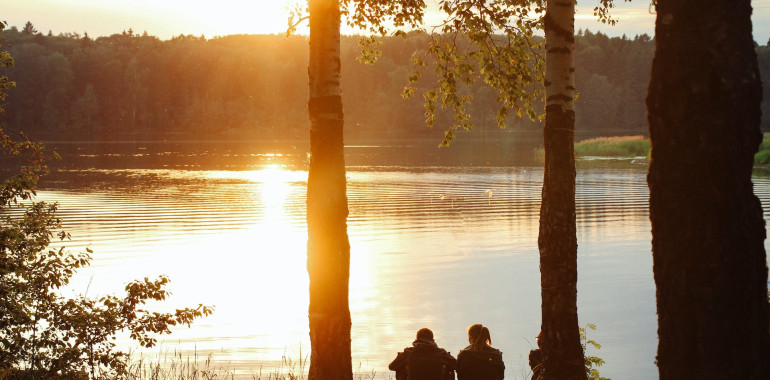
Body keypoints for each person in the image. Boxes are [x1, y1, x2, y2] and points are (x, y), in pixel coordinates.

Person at [389, 327, 457, 380]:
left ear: (416, 339)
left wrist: (401, 356)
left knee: (400, 366)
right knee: (449, 366)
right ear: (432, 340)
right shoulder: (442, 353)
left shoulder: (407, 352)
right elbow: (457, 366)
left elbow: (392, 366)